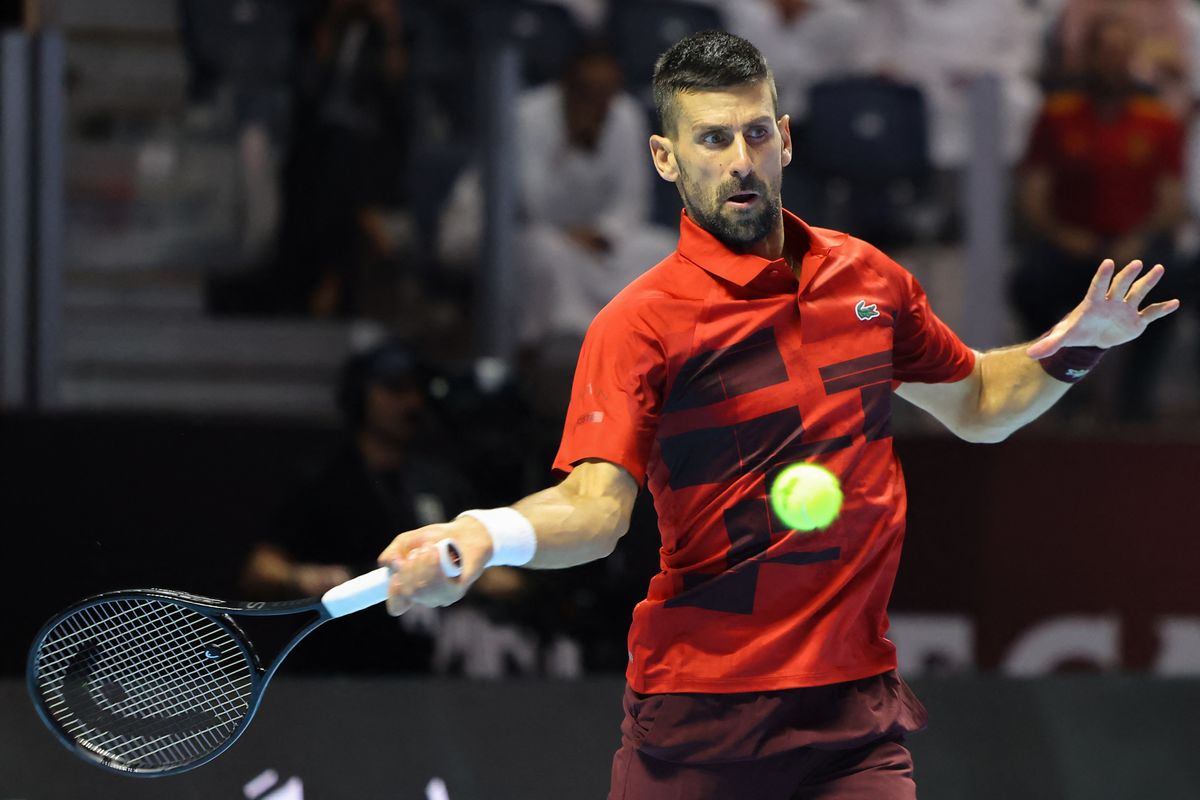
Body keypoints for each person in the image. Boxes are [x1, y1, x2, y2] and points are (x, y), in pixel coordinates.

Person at [376, 31, 1179, 798]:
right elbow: (594, 510)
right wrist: (481, 534)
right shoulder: (641, 324)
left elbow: (976, 401)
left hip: (852, 717)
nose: (740, 161)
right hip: (701, 715)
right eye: (712, 140)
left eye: (756, 133)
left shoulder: (867, 280)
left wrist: (1080, 344)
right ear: (665, 157)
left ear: (786, 139)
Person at [240, 339, 528, 673]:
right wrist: (302, 576)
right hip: (336, 663)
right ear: (359, 396)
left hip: (428, 669)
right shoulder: (322, 481)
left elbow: (500, 574)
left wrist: (475, 571)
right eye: (395, 389)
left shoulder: (443, 482)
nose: (412, 403)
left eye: (417, 391)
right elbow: (260, 568)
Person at [436, 43, 676, 353]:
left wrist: (604, 233)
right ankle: (568, 342)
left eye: (608, 90)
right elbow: (527, 200)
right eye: (590, 90)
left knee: (660, 249)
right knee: (546, 252)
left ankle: (633, 336)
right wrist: (572, 145)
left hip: (592, 240)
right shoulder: (527, 114)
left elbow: (631, 201)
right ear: (568, 87)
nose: (601, 101)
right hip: (522, 233)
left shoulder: (625, 115)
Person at [1012, 10, 1187, 420]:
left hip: (1136, 249)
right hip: (1070, 244)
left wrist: (1138, 239)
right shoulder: (1057, 114)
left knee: (1174, 283)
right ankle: (1060, 391)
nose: (1112, 63)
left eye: (1120, 54)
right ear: (1087, 57)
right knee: (1029, 282)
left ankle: (1135, 401)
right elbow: (1033, 196)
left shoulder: (1158, 119)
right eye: (1103, 53)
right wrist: (1063, 236)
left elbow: (1172, 202)